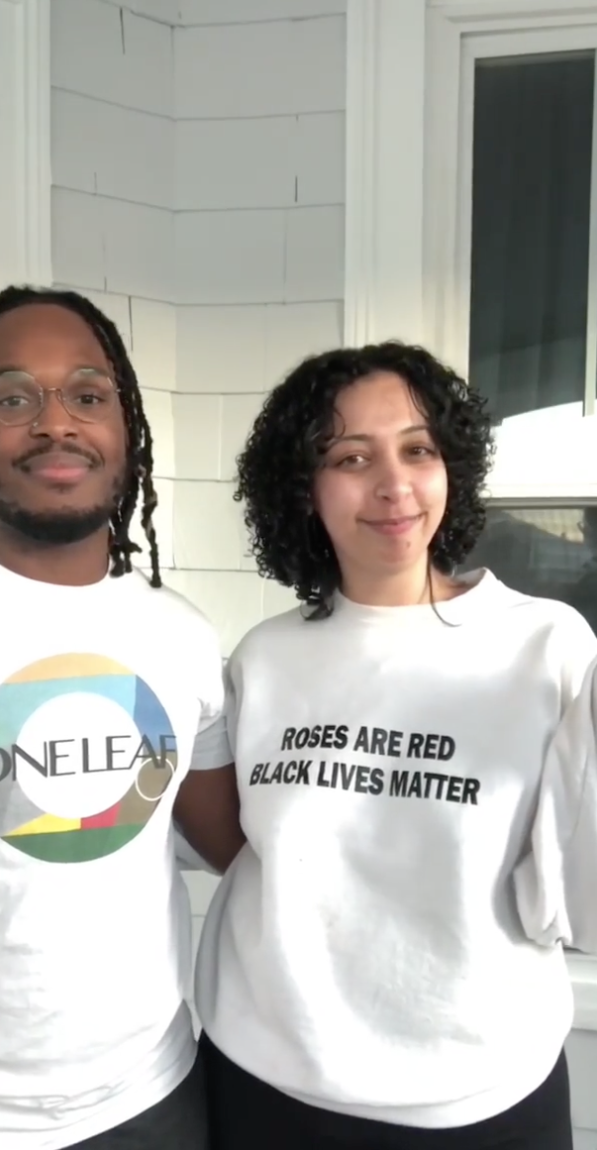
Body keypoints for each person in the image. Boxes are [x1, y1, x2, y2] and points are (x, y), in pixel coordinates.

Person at [193, 343, 597, 1150]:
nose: (394, 485)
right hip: (264, 1083)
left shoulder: (547, 649)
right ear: (304, 489)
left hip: (480, 1099)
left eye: (418, 449)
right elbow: (244, 846)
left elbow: (579, 898)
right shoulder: (265, 656)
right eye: (350, 457)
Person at [0, 285, 237, 1150]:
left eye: (87, 395)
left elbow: (241, 845)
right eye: (13, 398)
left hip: (153, 1103)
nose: (56, 424)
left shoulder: (183, 639)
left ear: (124, 430)